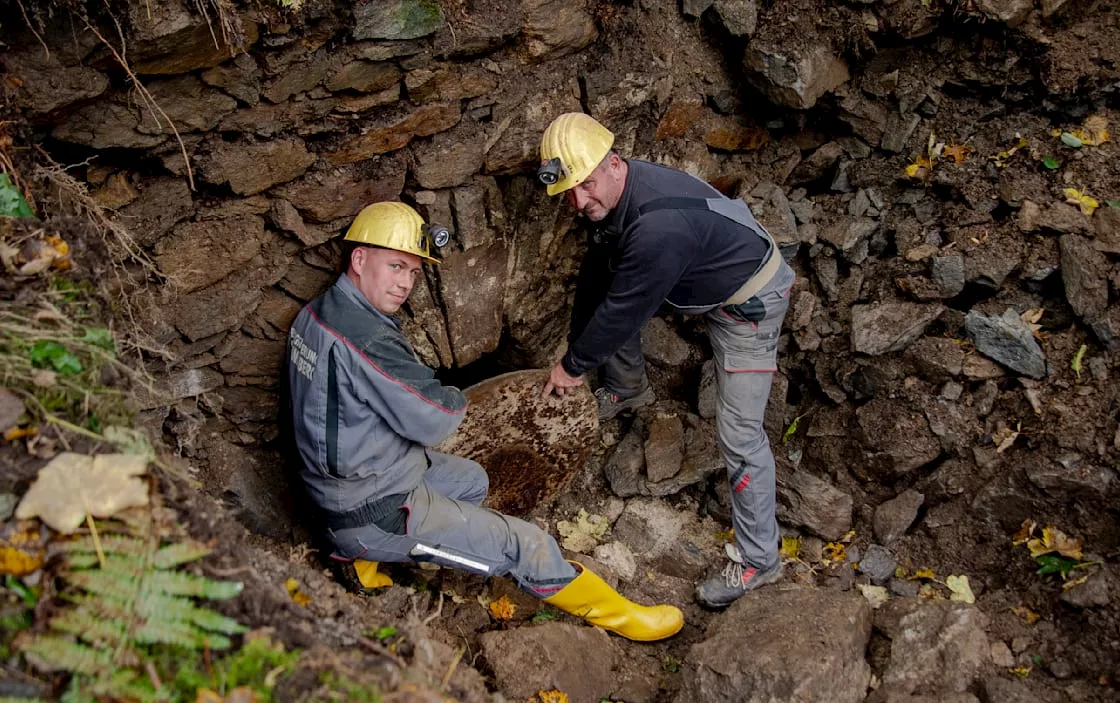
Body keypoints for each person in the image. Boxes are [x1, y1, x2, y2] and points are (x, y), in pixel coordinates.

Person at [286, 201, 683, 642]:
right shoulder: (368, 340)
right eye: (396, 266)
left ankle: (377, 553)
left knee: (473, 480)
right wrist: (453, 395)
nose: (405, 284)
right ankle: (630, 622)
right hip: (374, 509)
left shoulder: (319, 313)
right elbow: (436, 418)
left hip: (348, 484)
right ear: (360, 259)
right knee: (524, 544)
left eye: (414, 273)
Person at [537, 113, 796, 609]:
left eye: (586, 186)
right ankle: (629, 387)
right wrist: (577, 343)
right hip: (698, 276)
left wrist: (571, 367)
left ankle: (759, 560)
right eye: (568, 192)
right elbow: (598, 275)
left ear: (615, 164)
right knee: (612, 303)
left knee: (739, 433)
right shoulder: (618, 197)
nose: (579, 203)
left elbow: (622, 309)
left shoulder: (657, 228)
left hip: (749, 303)